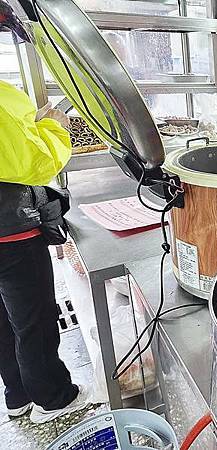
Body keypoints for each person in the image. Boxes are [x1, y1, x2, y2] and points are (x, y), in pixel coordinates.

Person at [0, 1, 89, 423]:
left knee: (4, 319)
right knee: (34, 320)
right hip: (10, 235)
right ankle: (54, 399)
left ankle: (16, 394)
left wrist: (27, 125)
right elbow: (36, 164)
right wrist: (54, 125)